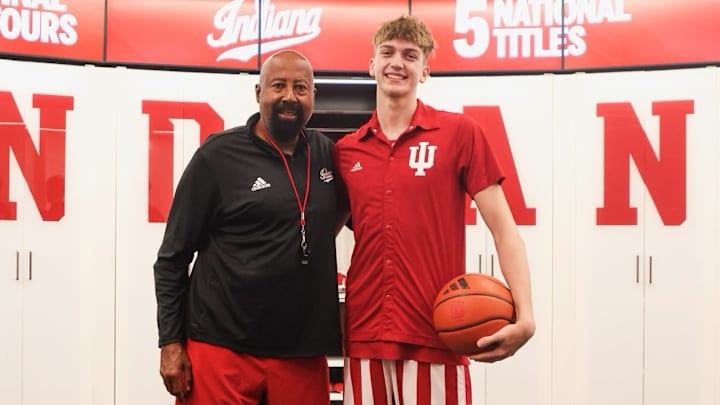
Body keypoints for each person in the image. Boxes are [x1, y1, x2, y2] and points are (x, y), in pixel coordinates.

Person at [333, 16, 536, 404]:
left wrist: (525, 316)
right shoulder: (347, 151)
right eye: (387, 53)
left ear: (424, 71)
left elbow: (505, 231)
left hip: (439, 333)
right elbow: (320, 238)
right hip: (363, 336)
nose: (397, 63)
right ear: (371, 65)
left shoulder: (460, 133)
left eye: (410, 56)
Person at [154, 50, 343, 404]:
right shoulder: (218, 156)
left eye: (301, 87)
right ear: (258, 93)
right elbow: (172, 258)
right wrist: (170, 343)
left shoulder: (327, 154)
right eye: (278, 86)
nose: (290, 96)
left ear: (314, 96)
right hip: (221, 346)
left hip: (301, 352)